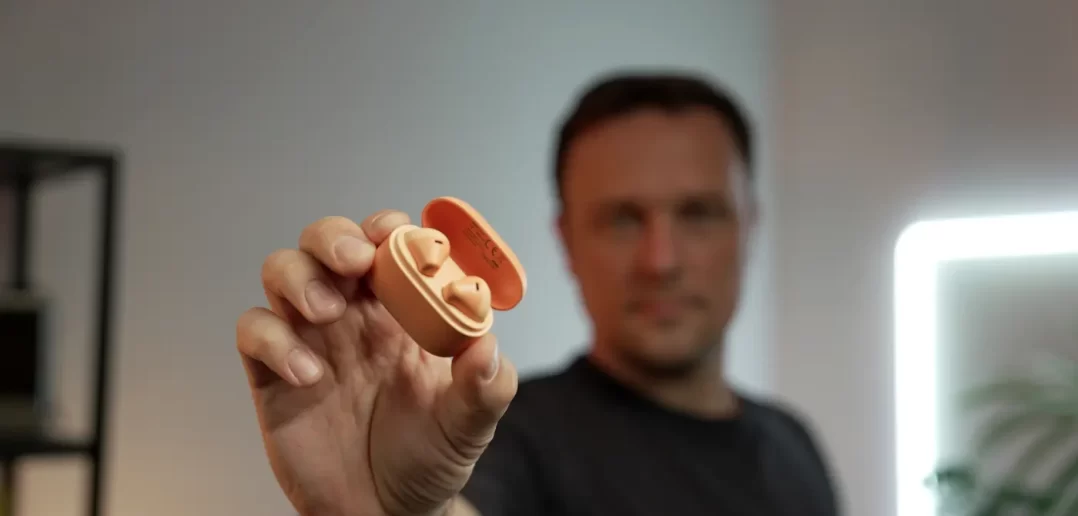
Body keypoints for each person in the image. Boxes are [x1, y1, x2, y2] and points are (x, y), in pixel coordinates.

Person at [235, 70, 842, 516]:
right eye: (622, 219)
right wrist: (384, 514)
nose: (660, 261)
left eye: (698, 213)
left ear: (749, 228)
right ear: (566, 241)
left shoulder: (796, 443)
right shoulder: (493, 436)